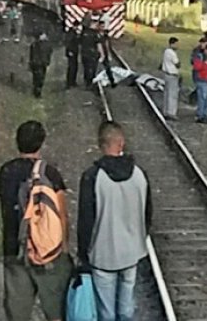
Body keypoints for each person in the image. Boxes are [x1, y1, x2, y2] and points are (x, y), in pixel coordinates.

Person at [0, 121, 73, 321]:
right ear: (41, 143)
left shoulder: (5, 172)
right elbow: (62, 214)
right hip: (47, 251)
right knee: (56, 311)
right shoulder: (50, 174)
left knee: (18, 314)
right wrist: (63, 248)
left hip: (14, 248)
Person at [77, 121, 152, 321]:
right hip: (131, 253)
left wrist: (84, 253)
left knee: (106, 313)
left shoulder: (92, 177)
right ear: (122, 143)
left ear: (100, 144)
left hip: (103, 254)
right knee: (126, 310)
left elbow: (86, 221)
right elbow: (147, 214)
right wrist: (138, 239)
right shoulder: (139, 174)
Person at [80, 18, 103, 89]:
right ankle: (91, 83)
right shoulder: (95, 34)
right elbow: (99, 45)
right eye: (96, 24)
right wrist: (102, 55)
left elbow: (80, 42)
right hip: (92, 54)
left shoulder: (84, 32)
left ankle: (86, 82)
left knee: (86, 68)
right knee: (92, 69)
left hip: (84, 53)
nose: (97, 25)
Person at [161, 36, 180, 120]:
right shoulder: (172, 53)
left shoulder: (165, 51)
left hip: (166, 74)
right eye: (176, 44)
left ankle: (165, 111)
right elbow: (177, 64)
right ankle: (171, 112)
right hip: (172, 75)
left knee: (166, 93)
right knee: (172, 95)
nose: (178, 46)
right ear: (172, 44)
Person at [29, 32, 52, 98]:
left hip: (42, 63)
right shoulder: (35, 44)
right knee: (38, 78)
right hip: (37, 63)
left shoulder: (46, 45)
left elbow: (49, 53)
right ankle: (37, 92)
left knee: (40, 78)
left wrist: (47, 62)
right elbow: (32, 55)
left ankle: (37, 90)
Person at [64, 21, 81, 89]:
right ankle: (70, 82)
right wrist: (69, 51)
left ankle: (72, 82)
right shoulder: (71, 33)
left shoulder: (73, 32)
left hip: (74, 52)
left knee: (74, 67)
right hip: (72, 52)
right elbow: (68, 42)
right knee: (72, 67)